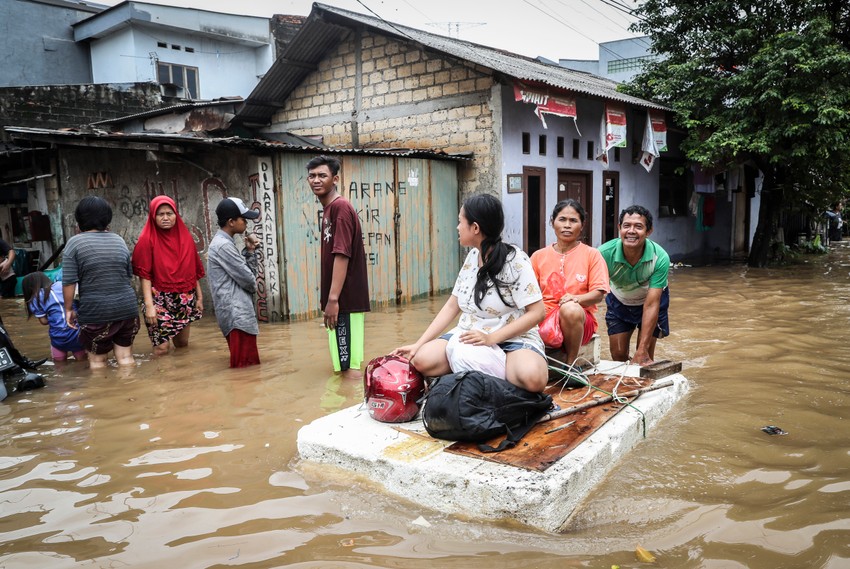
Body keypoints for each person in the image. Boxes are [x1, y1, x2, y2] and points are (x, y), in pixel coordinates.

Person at [392, 194, 548, 393]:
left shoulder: (515, 260)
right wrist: (418, 344)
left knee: (533, 378)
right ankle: (482, 374)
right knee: (422, 359)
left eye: (460, 222)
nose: (457, 227)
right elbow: (452, 305)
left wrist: (492, 339)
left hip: (512, 338)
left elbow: (537, 313)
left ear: (475, 228)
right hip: (470, 333)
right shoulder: (473, 256)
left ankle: (485, 376)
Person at [307, 155, 370, 376]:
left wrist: (333, 300)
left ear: (335, 179)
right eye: (312, 176)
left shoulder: (340, 208)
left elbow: (342, 255)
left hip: (345, 302)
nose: (316, 180)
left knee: (349, 368)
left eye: (322, 175)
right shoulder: (329, 209)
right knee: (341, 365)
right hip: (338, 303)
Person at [62, 196, 140, 369]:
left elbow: (69, 281)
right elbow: (127, 275)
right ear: (107, 218)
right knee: (126, 358)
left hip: (96, 312)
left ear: (80, 219)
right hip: (127, 309)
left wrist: (68, 309)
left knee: (98, 362)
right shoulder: (119, 240)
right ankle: (131, 394)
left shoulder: (74, 243)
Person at [530, 199, 609, 367]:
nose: (567, 225)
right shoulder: (538, 256)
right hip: (544, 317)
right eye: (562, 219)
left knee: (570, 309)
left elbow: (598, 294)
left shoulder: (592, 255)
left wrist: (575, 299)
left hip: (579, 320)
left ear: (582, 225)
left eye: (573, 221)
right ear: (552, 222)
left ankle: (570, 365)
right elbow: (527, 293)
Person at [132, 195, 205, 356]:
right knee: (161, 349)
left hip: (185, 298)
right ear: (153, 216)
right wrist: (149, 306)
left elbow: (193, 270)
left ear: (176, 215)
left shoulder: (185, 237)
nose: (165, 218)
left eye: (169, 213)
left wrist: (199, 297)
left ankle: (181, 379)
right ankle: (161, 380)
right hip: (158, 300)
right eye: (160, 214)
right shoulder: (147, 239)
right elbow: (144, 275)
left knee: (182, 344)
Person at [598, 205, 670, 366]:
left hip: (650, 301)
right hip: (619, 300)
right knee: (618, 355)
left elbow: (652, 305)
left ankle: (643, 370)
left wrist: (642, 350)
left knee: (644, 355)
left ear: (649, 231)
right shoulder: (603, 254)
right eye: (626, 226)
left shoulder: (660, 257)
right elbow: (593, 290)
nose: (631, 231)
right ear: (619, 228)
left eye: (638, 226)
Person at [207, 196, 261, 368]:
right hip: (237, 317)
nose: (246, 223)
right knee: (246, 373)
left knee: (246, 370)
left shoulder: (225, 244)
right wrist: (251, 257)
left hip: (237, 316)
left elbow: (246, 275)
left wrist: (250, 251)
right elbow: (250, 281)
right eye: (243, 219)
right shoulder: (223, 246)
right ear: (231, 221)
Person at [22, 271, 87, 362]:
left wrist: (55, 318)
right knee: (82, 362)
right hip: (77, 333)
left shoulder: (35, 299)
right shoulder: (61, 285)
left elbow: (43, 321)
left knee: (59, 365)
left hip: (58, 337)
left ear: (29, 288)